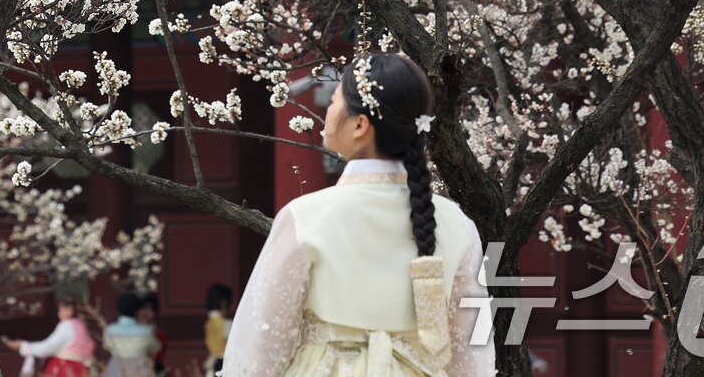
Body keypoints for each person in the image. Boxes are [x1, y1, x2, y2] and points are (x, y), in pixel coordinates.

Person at [221, 53, 495, 377]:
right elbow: (471, 353)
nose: (328, 111)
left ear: (360, 125)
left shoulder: (306, 217)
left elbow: (263, 349)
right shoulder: (457, 225)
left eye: (334, 101)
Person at [2, 295, 101, 377]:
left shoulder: (67, 326)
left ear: (69, 310)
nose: (58, 313)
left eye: (61, 309)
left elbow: (48, 347)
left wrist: (24, 346)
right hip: (79, 370)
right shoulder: (81, 325)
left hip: (64, 368)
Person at [102, 292, 159, 377]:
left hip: (116, 365)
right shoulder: (145, 331)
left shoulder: (110, 330)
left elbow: (107, 345)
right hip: (139, 366)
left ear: (118, 309)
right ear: (137, 310)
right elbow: (154, 347)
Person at [135, 294, 169, 376]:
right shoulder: (126, 333)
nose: (145, 312)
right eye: (142, 308)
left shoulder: (159, 335)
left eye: (149, 309)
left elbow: (156, 357)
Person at [203, 284, 232, 377]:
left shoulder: (208, 323)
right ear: (224, 303)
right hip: (224, 363)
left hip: (212, 362)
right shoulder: (226, 324)